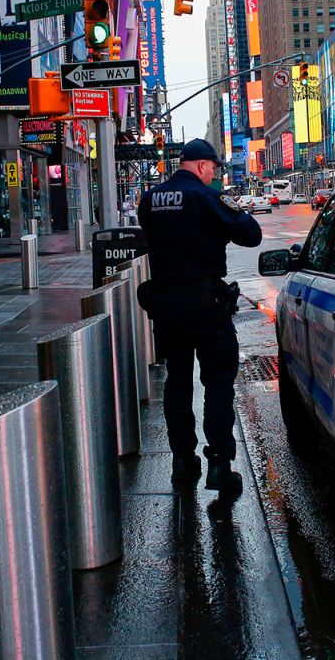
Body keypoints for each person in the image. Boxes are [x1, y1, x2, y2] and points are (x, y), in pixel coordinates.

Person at [138, 139, 262, 496]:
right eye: (214, 168)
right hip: (206, 304)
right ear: (203, 165)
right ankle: (220, 464)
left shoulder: (151, 199)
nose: (214, 174)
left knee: (177, 382)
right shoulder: (207, 198)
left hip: (167, 305)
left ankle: (182, 460)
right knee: (218, 383)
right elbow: (251, 235)